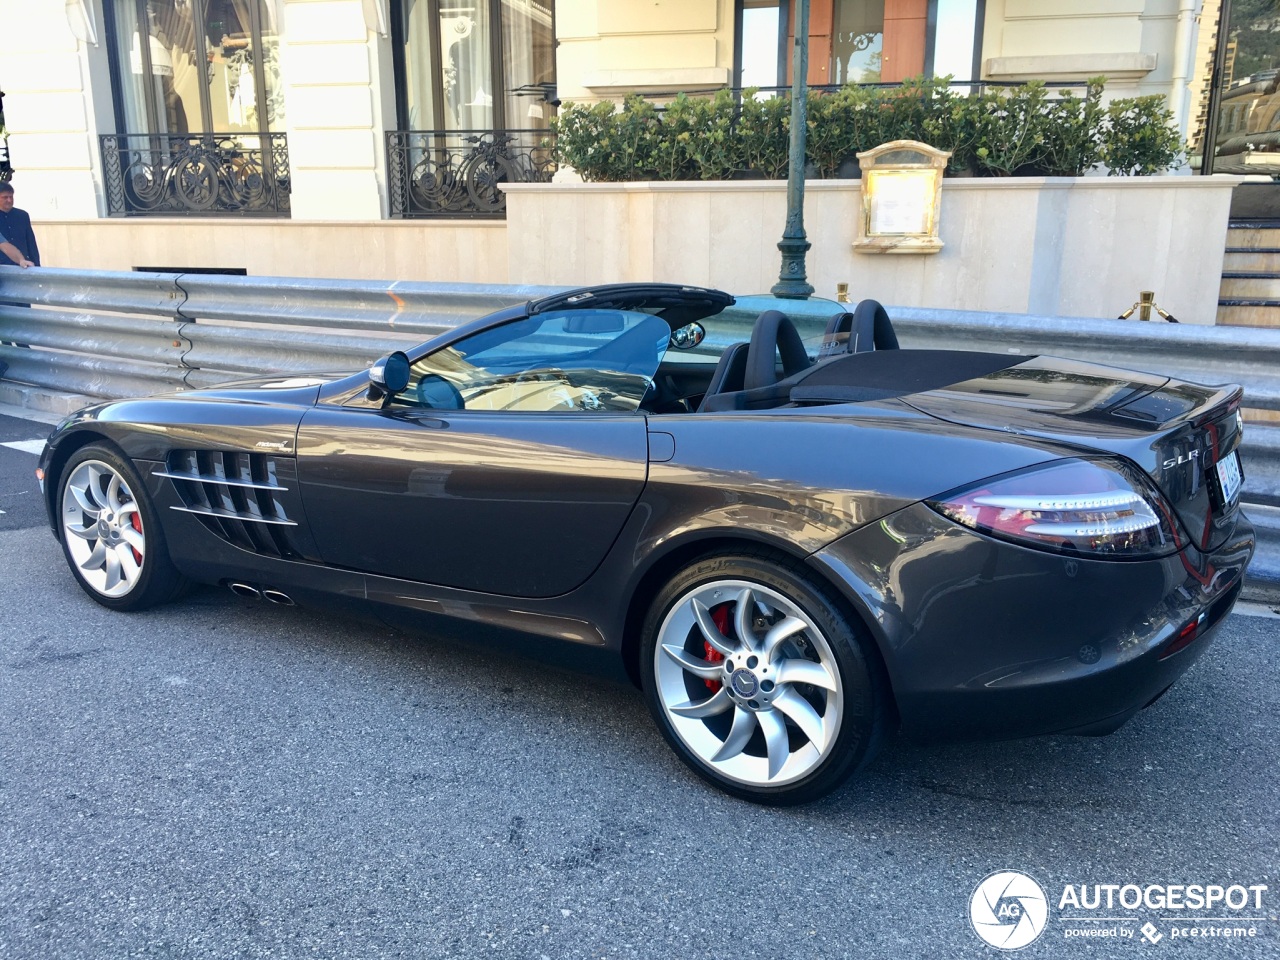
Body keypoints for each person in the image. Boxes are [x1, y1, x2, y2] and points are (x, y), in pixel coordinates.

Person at [0, 181, 39, 267]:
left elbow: (31, 243)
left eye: (11, 197)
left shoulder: (22, 215)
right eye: (5, 197)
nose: (9, 200)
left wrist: (37, 265)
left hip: (23, 266)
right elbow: (4, 245)